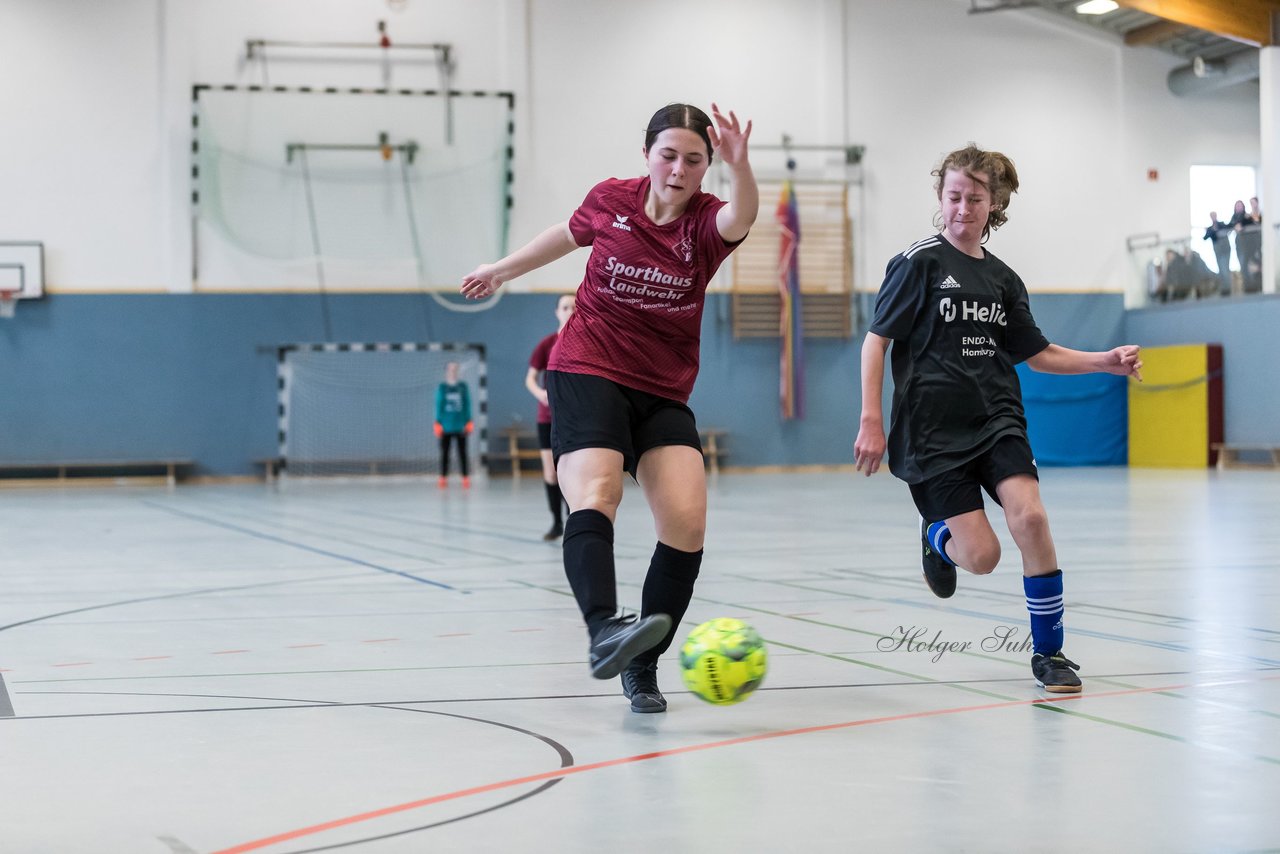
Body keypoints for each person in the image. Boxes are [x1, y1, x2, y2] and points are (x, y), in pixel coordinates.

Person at [462, 103, 757, 713]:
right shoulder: (611, 199)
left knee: (686, 524)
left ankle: (639, 665)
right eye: (668, 155)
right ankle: (603, 631)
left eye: (694, 160)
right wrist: (501, 270)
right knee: (597, 491)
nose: (679, 169)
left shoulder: (705, 223)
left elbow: (742, 215)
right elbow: (565, 237)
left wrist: (742, 166)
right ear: (647, 154)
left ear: (708, 167)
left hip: (663, 388)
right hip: (587, 368)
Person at [853, 143, 1143, 694]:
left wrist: (1104, 363)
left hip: (997, 418)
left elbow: (1037, 354)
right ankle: (935, 533)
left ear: (995, 205)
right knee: (982, 558)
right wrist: (871, 418)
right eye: (954, 196)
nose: (963, 207)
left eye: (976, 198)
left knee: (1031, 520)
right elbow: (876, 341)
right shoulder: (918, 263)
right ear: (941, 198)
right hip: (932, 431)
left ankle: (1050, 654)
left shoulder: (1005, 280)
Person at [526, 293, 576, 540]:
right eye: (565, 307)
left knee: (573, 470)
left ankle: (572, 519)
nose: (570, 311)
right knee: (551, 471)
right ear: (557, 311)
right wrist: (541, 394)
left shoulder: (584, 342)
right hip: (548, 417)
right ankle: (556, 522)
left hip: (575, 417)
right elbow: (530, 378)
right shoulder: (547, 344)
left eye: (574, 307)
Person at [434, 361, 473, 488]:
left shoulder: (463, 386)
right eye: (450, 369)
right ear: (446, 371)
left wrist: (469, 420)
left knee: (462, 452)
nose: (453, 371)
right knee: (445, 453)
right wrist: (437, 422)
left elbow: (467, 404)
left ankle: (465, 477)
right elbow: (438, 405)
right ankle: (443, 477)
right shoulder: (442, 387)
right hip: (446, 425)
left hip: (460, 424)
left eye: (455, 369)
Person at [1235, 197, 1262, 293]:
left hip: (1260, 245)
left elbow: (1258, 222)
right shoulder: (1248, 217)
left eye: (1254, 203)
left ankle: (1260, 286)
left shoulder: (1261, 215)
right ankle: (1250, 287)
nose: (1253, 205)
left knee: (1259, 266)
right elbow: (1239, 226)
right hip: (1249, 246)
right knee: (1248, 266)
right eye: (1251, 203)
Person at [1203, 210, 1233, 296]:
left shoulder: (1222, 224)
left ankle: (1227, 289)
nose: (1213, 217)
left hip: (1226, 250)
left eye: (1214, 215)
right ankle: (1225, 288)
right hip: (1218, 252)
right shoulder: (1210, 228)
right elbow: (1205, 238)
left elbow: (1228, 228)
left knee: (1225, 269)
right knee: (1221, 269)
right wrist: (1210, 231)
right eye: (1211, 215)